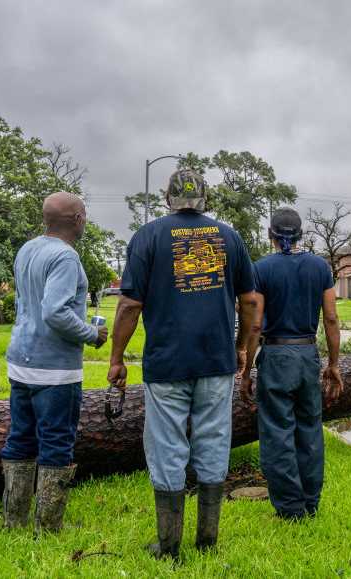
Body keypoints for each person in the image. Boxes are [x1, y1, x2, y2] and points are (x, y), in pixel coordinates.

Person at [107, 169, 258, 559]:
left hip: (167, 361)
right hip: (216, 360)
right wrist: (241, 347)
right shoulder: (230, 237)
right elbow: (251, 302)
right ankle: (207, 541)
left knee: (166, 445)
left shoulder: (148, 236)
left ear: (167, 198)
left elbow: (129, 304)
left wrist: (117, 358)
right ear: (205, 198)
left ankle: (168, 546)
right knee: (214, 441)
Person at [1, 191, 108, 534]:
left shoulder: (28, 249)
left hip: (20, 360)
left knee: (20, 439)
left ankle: (13, 521)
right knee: (57, 442)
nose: (86, 219)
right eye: (85, 214)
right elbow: (55, 312)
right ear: (77, 219)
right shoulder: (65, 258)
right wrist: (92, 334)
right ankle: (47, 527)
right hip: (54, 369)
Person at [240, 207, 343, 521]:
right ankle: (310, 502)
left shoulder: (261, 268)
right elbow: (331, 318)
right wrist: (334, 365)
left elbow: (255, 325)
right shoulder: (320, 267)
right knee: (309, 430)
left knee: (277, 432)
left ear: (271, 235)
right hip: (308, 355)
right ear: (301, 235)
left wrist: (247, 370)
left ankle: (289, 508)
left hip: (276, 355)